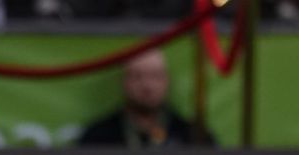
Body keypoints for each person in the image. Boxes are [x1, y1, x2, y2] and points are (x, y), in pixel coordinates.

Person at [77, 48, 214, 148]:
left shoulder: (192, 136)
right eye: (138, 77)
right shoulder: (98, 137)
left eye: (155, 76)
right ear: (124, 82)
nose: (147, 86)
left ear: (167, 81)